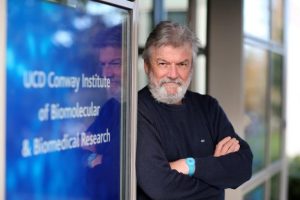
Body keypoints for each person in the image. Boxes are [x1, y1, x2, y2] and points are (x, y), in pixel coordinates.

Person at [136, 21, 253, 200]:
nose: (173, 74)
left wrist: (189, 165)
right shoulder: (137, 109)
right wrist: (215, 176)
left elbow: (243, 166)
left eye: (182, 64)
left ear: (191, 67)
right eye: (163, 63)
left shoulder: (208, 107)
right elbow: (161, 187)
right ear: (147, 66)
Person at [84, 24, 122, 200]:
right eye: (103, 65)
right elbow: (80, 148)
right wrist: (98, 159)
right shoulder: (110, 108)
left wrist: (104, 160)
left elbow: (126, 170)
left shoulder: (145, 111)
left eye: (115, 63)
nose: (107, 73)